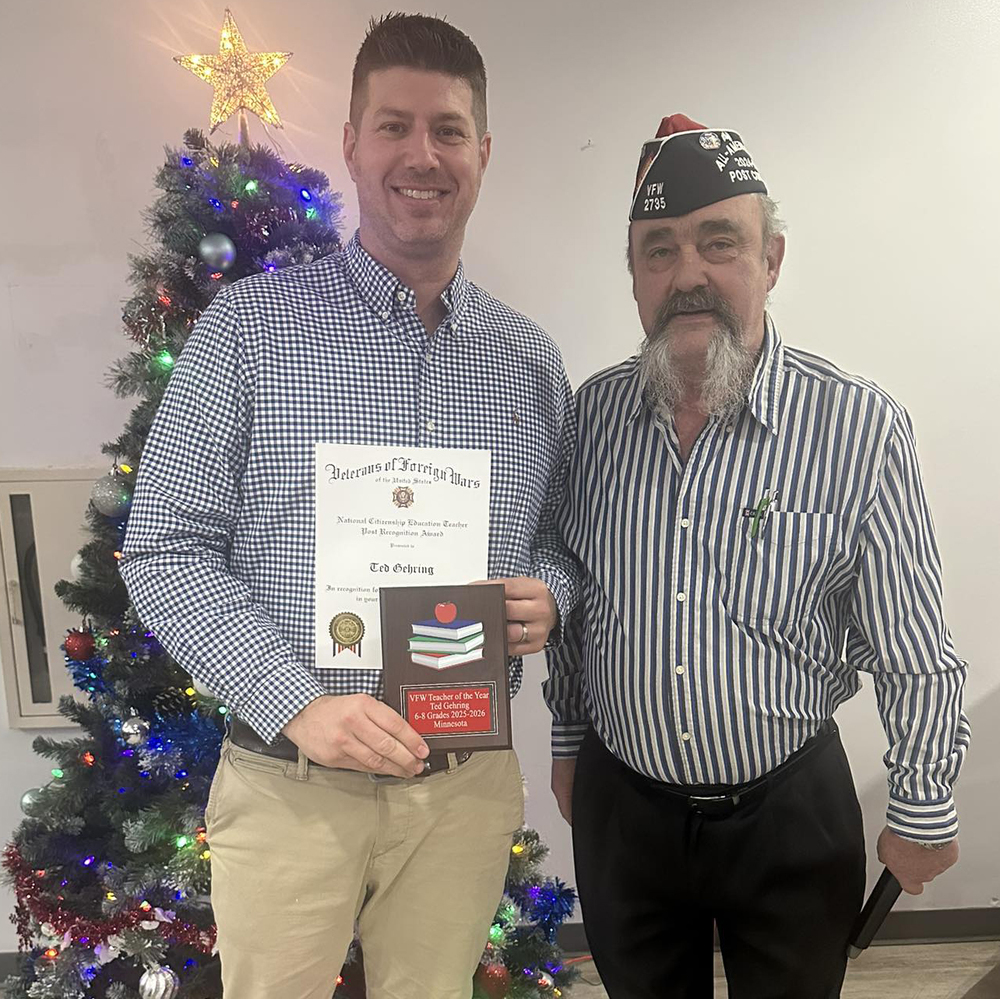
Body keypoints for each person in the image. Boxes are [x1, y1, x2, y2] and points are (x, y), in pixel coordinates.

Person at [120, 14, 577, 999]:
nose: (423, 155)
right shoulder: (250, 331)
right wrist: (300, 706)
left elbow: (554, 540)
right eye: (394, 125)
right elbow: (163, 546)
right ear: (352, 143)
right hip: (291, 788)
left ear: (483, 152)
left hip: (461, 789)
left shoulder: (529, 363)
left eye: (449, 130)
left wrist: (549, 591)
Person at [545, 113, 970, 998]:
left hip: (789, 814)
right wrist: (569, 737)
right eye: (658, 249)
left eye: (719, 242)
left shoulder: (860, 427)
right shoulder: (587, 420)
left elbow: (912, 644)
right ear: (632, 275)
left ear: (771, 259)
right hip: (625, 811)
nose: (688, 272)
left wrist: (924, 801)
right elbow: (574, 602)